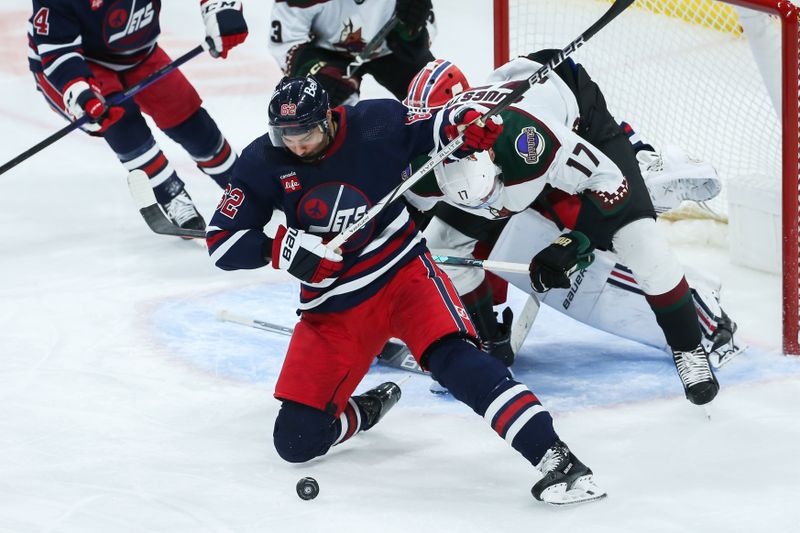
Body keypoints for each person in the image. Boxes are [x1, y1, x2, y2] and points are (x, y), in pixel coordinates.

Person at [205, 75, 606, 506]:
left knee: (456, 361)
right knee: (296, 442)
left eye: (305, 134)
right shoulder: (264, 160)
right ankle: (363, 410)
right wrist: (283, 249)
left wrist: (468, 124)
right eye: (287, 136)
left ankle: (557, 459)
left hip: (403, 276)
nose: (296, 146)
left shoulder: (374, 122)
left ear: (328, 120)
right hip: (332, 307)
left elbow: (440, 124)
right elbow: (221, 242)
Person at [415, 51, 729, 407]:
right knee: (443, 245)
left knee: (639, 240)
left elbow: (608, 183)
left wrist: (571, 242)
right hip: (496, 141)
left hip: (578, 118)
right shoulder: (425, 166)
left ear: (494, 167)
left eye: (491, 195)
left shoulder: (529, 142)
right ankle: (489, 341)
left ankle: (688, 347)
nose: (492, 208)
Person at [27, 0, 249, 231]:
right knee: (121, 124)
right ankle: (171, 193)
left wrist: (221, 9)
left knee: (188, 117)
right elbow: (58, 50)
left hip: (139, 53)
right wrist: (81, 93)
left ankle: (243, 183)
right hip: (74, 65)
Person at [268, 0, 435, 107]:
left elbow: (425, 22)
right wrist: (314, 71)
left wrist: (413, 32)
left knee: (438, 92)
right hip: (327, 54)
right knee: (321, 105)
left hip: (390, 47)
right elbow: (288, 43)